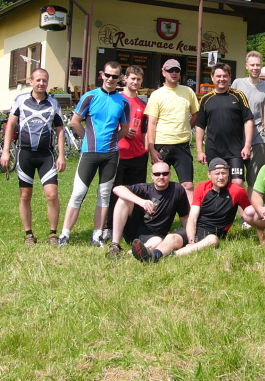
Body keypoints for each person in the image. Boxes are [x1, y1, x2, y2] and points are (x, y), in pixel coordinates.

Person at [59, 61, 129, 247]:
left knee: (104, 195)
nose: (110, 79)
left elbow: (124, 129)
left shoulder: (123, 102)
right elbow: (75, 122)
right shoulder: (90, 96)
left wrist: (111, 142)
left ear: (120, 78)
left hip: (111, 155)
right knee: (78, 193)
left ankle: (97, 235)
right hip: (89, 153)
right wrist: (88, 140)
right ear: (102, 75)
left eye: (115, 76)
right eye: (108, 75)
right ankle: (65, 234)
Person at [130, 158, 251, 262]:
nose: (221, 177)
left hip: (215, 232)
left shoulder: (237, 191)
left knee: (212, 240)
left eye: (224, 173)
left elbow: (250, 212)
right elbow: (193, 216)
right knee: (171, 237)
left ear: (228, 174)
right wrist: (191, 239)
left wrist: (259, 233)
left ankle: (172, 256)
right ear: (209, 174)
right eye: (217, 173)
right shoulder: (201, 187)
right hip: (197, 227)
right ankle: (153, 255)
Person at [1, 68, 67, 246]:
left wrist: (61, 155)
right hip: (25, 154)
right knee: (25, 195)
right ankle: (29, 234)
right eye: (38, 80)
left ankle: (53, 234)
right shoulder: (20, 100)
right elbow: (10, 125)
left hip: (46, 155)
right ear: (31, 81)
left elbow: (60, 130)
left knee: (52, 195)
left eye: (44, 80)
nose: (41, 83)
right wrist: (5, 151)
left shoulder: (53, 103)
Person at [108, 161, 190, 259]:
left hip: (154, 235)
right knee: (123, 200)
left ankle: (133, 252)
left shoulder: (177, 189)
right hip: (133, 229)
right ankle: (115, 245)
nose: (161, 177)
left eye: (165, 173)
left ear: (170, 174)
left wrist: (190, 236)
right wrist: (141, 202)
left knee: (158, 241)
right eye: (157, 174)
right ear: (152, 176)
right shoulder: (145, 188)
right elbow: (117, 189)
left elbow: (184, 216)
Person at [103, 65, 148, 238]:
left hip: (138, 155)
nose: (135, 82)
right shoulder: (116, 99)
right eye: (132, 78)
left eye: (138, 79)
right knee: (114, 192)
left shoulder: (143, 104)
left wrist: (146, 150)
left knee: (136, 193)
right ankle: (110, 227)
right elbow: (108, 123)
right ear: (125, 79)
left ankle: (132, 227)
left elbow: (144, 130)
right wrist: (122, 130)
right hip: (118, 153)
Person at [145, 59, 200, 200]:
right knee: (160, 183)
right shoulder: (157, 95)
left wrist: (186, 128)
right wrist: (152, 149)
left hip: (183, 145)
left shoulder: (188, 91)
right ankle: (156, 211)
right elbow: (151, 123)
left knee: (188, 185)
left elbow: (195, 114)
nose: (174, 73)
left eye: (177, 70)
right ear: (163, 72)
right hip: (162, 145)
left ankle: (189, 214)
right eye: (170, 71)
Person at [195, 62, 254, 184]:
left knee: (237, 182)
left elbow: (248, 120)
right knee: (218, 182)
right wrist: (200, 151)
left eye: (225, 76)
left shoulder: (238, 96)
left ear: (229, 77)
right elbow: (200, 126)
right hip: (214, 150)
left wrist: (247, 145)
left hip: (235, 150)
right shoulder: (206, 99)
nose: (222, 79)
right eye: (218, 76)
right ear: (212, 77)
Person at [231, 51, 265, 194]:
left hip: (258, 138)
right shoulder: (237, 83)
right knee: (236, 180)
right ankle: (239, 206)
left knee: (255, 180)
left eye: (258, 65)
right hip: (237, 138)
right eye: (252, 65)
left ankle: (252, 208)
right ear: (246, 66)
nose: (255, 68)